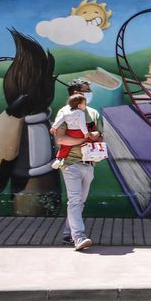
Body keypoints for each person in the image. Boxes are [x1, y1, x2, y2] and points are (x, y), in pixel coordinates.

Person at [52, 85, 104, 252]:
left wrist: (96, 135)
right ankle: (79, 237)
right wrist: (84, 139)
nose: (85, 95)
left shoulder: (94, 113)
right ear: (73, 95)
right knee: (75, 200)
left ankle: (68, 234)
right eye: (81, 92)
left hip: (89, 163)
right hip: (70, 163)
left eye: (86, 92)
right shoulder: (64, 112)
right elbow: (61, 139)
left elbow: (101, 135)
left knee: (80, 202)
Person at [50, 94, 91, 170]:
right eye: (84, 104)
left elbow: (60, 119)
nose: (85, 105)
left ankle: (59, 159)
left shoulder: (66, 112)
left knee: (65, 146)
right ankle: (91, 155)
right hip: (79, 132)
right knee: (88, 140)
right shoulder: (81, 113)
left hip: (70, 132)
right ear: (79, 106)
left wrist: (54, 127)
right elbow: (82, 125)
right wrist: (85, 133)